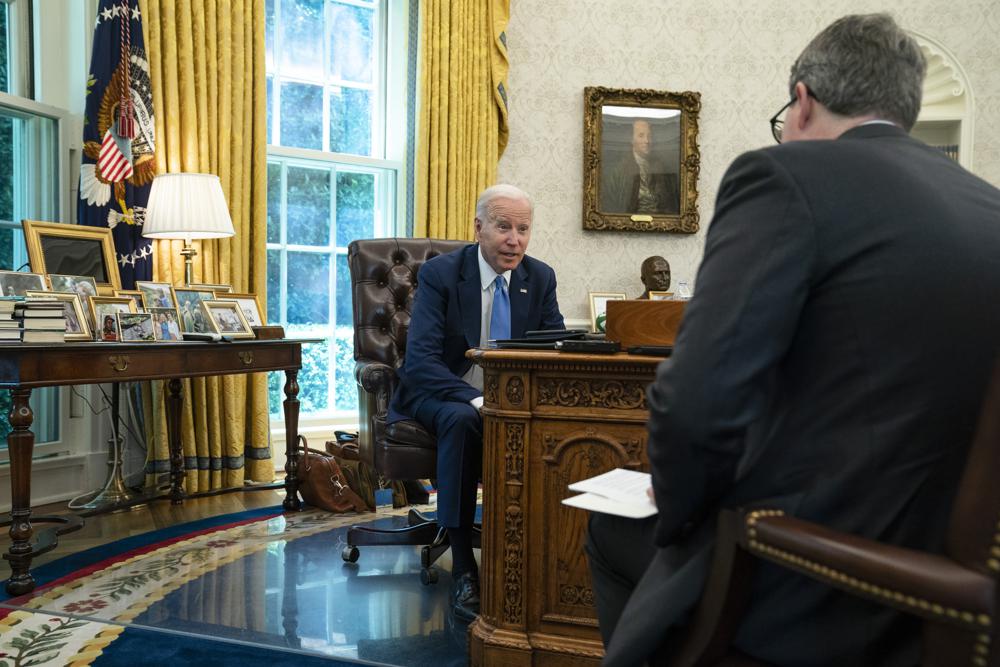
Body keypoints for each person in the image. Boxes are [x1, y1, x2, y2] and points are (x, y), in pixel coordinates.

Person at [585, 13, 1000, 666]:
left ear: (802, 102)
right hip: (946, 597)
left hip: (805, 575)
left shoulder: (785, 175)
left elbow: (695, 405)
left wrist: (681, 503)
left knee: (612, 526)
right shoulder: (988, 207)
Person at [388, 184, 564, 622]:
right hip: (439, 391)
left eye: (523, 229)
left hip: (508, 400)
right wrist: (479, 398)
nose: (514, 240)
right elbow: (421, 362)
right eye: (504, 227)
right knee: (463, 419)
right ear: (478, 228)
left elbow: (556, 348)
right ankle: (465, 564)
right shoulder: (442, 274)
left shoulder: (540, 278)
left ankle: (547, 557)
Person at [601, 118, 679, 214]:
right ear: (631, 140)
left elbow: (669, 204)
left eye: (649, 136)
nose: (647, 141)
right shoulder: (618, 171)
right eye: (641, 136)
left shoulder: (660, 167)